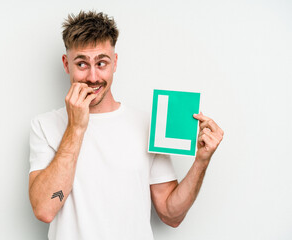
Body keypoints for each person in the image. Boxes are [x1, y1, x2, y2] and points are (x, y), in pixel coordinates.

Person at [28, 11, 224, 240]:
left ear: (115, 63)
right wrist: (76, 128)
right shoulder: (44, 126)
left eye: (101, 63)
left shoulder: (147, 124)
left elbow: (172, 215)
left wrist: (201, 161)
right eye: (82, 63)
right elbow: (45, 208)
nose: (92, 77)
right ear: (66, 64)